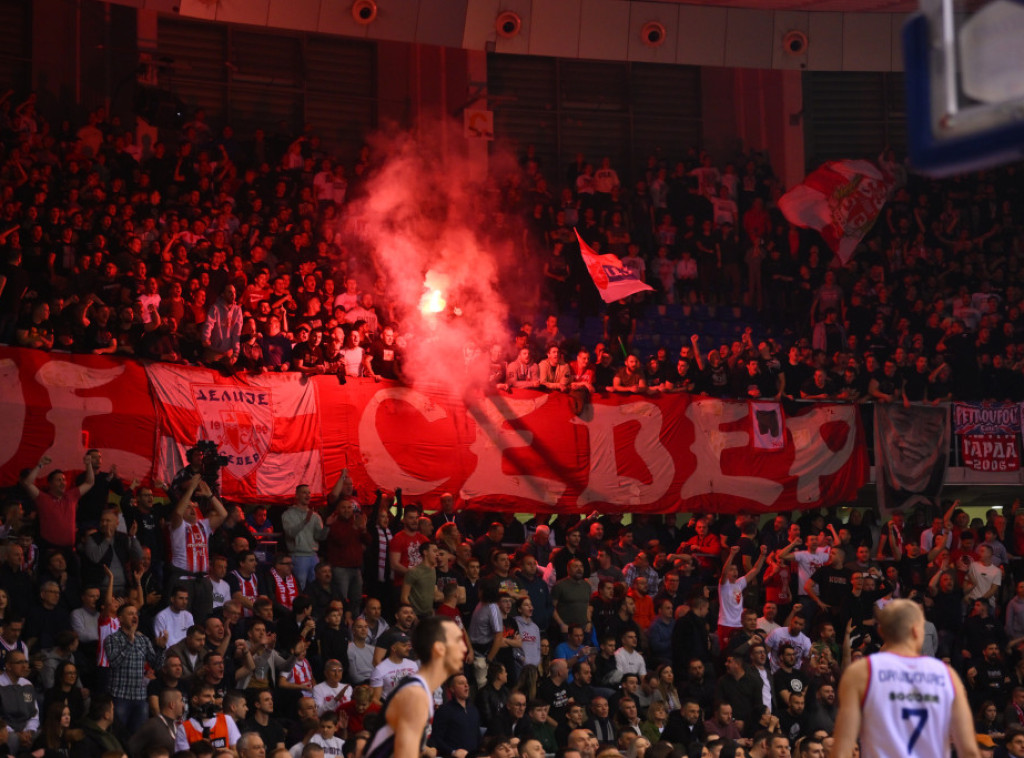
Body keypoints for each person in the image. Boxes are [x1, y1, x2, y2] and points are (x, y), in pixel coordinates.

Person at [832, 599, 979, 758]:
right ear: (916, 630)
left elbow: (842, 750)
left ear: (881, 631)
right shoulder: (947, 676)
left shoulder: (861, 672)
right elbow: (969, 750)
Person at [364, 616, 467, 758]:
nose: (408, 647)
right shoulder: (386, 673)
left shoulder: (415, 673)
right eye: (404, 644)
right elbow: (376, 699)